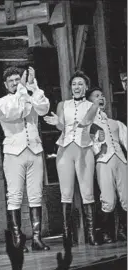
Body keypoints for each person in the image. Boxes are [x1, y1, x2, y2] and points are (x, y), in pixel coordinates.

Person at [0, 67, 50, 253]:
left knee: (35, 194)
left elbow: (43, 109)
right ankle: (17, 240)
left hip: (34, 149)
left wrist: (34, 87)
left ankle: (36, 238)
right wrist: (23, 91)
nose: (15, 82)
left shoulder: (28, 95)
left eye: (18, 79)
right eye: (11, 80)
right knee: (15, 195)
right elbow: (15, 112)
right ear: (5, 84)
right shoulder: (1, 102)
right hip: (13, 152)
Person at [44, 71, 100, 246]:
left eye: (80, 84)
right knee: (66, 193)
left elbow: (87, 120)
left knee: (87, 192)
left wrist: (80, 124)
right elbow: (61, 125)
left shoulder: (92, 105)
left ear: (86, 87)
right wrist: (57, 123)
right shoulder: (63, 104)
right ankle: (67, 235)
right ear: (71, 87)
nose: (77, 87)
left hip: (84, 149)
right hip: (65, 149)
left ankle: (90, 235)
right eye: (74, 84)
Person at [87, 87, 127, 243]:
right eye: (96, 96)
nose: (101, 97)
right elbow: (88, 145)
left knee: (126, 196)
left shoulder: (115, 123)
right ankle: (106, 232)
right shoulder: (88, 124)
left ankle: (123, 230)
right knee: (108, 199)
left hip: (121, 160)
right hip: (103, 161)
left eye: (102, 95)